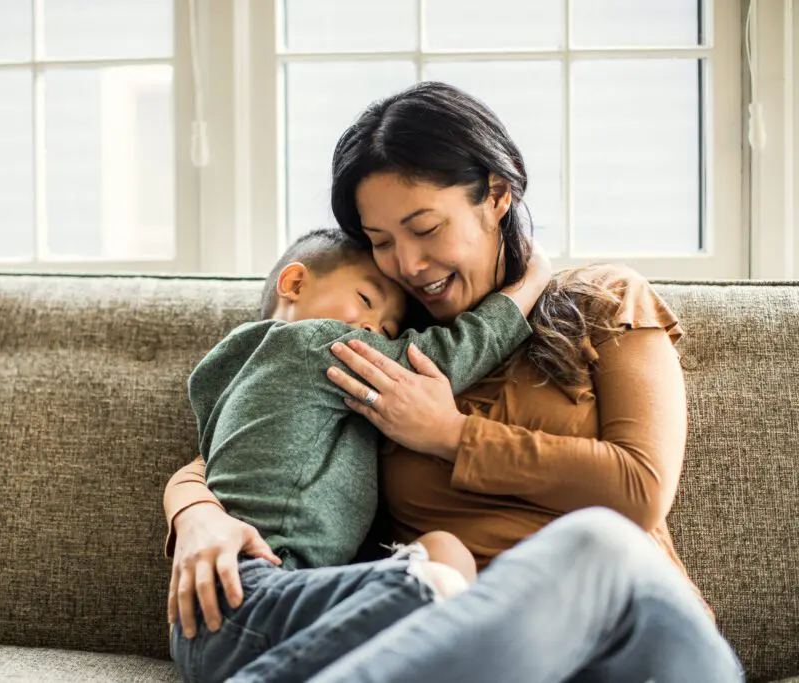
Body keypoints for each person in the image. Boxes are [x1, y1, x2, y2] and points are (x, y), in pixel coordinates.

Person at [165, 81, 742, 681]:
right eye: (383, 243)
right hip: (467, 659)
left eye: (425, 228)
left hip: (636, 641)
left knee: (597, 541)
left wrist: (448, 434)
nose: (408, 265)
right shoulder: (390, 344)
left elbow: (640, 490)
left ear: (496, 194)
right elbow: (246, 438)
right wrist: (197, 515)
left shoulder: (604, 300)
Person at [172, 227, 550, 682]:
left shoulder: (233, 376)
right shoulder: (313, 344)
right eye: (367, 301)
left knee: (439, 558)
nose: (375, 330)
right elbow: (444, 359)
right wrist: (528, 284)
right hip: (252, 593)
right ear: (294, 283)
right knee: (440, 573)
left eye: (389, 329)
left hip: (225, 615)